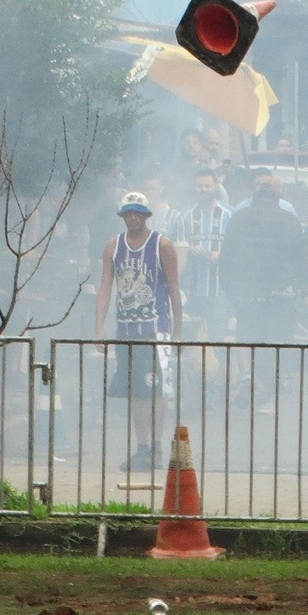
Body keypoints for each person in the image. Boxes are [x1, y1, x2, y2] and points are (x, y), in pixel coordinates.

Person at [93, 192, 183, 471]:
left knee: (156, 390)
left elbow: (173, 288)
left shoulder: (161, 245)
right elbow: (106, 285)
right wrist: (100, 326)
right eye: (128, 213)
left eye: (138, 212)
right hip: (126, 329)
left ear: (146, 215)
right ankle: (142, 447)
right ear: (122, 215)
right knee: (135, 391)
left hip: (156, 329)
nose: (133, 217)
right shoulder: (113, 245)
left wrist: (178, 332)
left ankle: (155, 447)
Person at [220, 171, 308, 343]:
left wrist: (231, 292)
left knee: (249, 341)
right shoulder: (290, 220)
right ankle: (276, 371)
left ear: (256, 196)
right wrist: (305, 290)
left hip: (248, 297)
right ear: (277, 197)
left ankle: (247, 371)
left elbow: (226, 260)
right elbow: (301, 260)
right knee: (279, 347)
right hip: (282, 298)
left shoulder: (239, 218)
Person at [175, 169, 232, 341]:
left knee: (216, 341)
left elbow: (237, 250)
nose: (203, 189)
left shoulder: (230, 214)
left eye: (207, 185)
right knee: (188, 341)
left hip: (219, 293)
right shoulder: (185, 216)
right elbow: (176, 247)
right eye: (200, 185)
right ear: (194, 188)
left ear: (216, 187)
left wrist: (221, 256)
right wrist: (190, 248)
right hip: (190, 292)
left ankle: (219, 369)